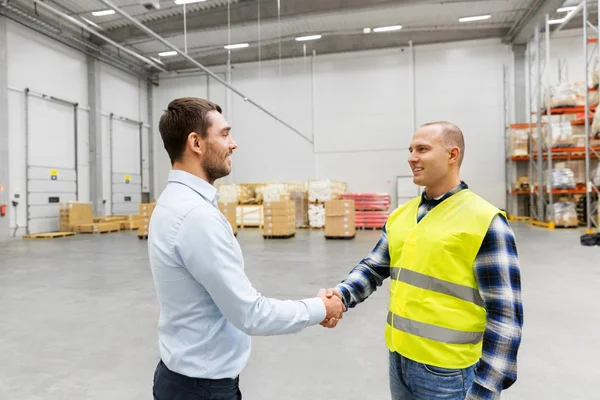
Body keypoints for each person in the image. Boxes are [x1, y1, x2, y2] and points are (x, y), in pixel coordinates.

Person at [148, 97, 345, 400]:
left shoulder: (173, 202)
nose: (234, 144)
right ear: (196, 143)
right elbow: (250, 314)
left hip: (183, 378)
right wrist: (321, 308)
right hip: (203, 389)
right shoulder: (196, 217)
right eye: (224, 134)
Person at [323, 122, 523, 400]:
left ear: (452, 155)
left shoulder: (484, 220)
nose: (411, 157)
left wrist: (486, 389)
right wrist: (340, 297)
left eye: (422, 149)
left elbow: (505, 315)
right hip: (400, 360)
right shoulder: (401, 216)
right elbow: (374, 267)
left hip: (449, 372)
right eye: (410, 150)